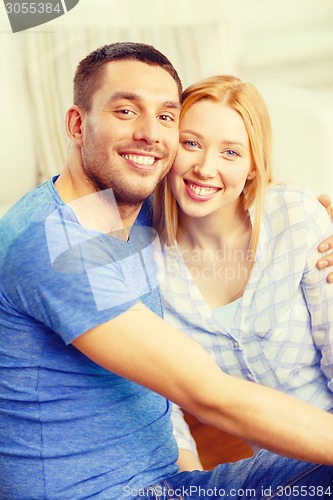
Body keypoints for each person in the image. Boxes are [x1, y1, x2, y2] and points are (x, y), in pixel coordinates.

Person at [1, 42, 333, 500]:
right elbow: (208, 393)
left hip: (167, 485)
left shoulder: (128, 209)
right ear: (77, 124)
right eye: (125, 111)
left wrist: (316, 214)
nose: (149, 134)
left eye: (165, 117)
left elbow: (223, 185)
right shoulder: (54, 245)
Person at [153, 74, 333, 473]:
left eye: (230, 153)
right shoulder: (144, 259)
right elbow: (160, 404)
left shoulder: (296, 218)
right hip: (272, 470)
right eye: (191, 143)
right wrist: (190, 485)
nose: (204, 167)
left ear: (254, 167)